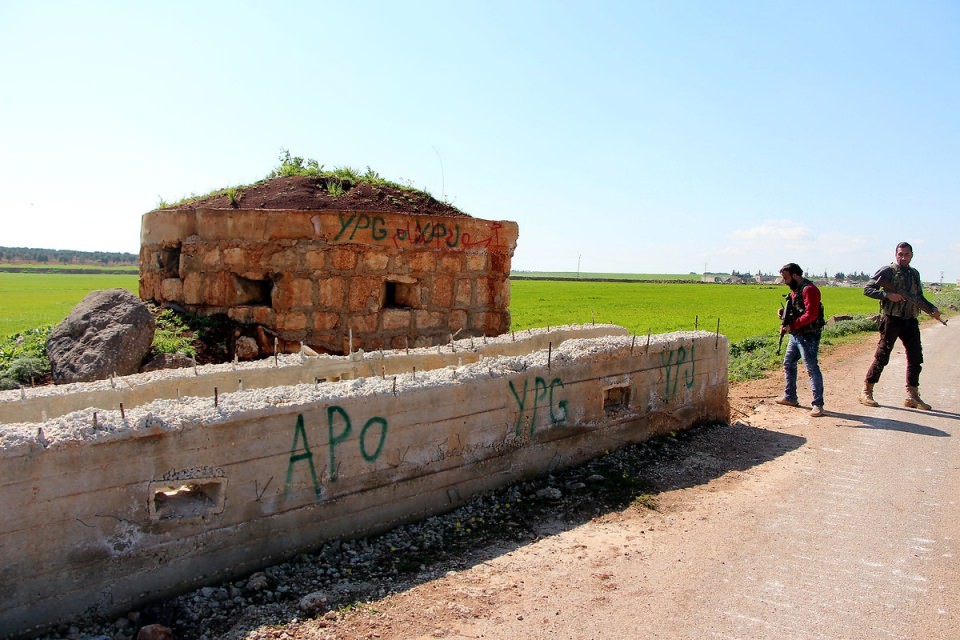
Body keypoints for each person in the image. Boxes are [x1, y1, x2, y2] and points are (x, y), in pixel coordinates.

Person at [858, 242, 942, 410]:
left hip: (910, 320)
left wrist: (932, 309)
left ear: (912, 255)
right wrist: (887, 295)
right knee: (882, 356)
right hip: (892, 319)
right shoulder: (887, 271)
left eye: (906, 254)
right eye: (900, 254)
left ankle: (912, 395)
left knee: (916, 358)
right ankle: (866, 390)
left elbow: (918, 297)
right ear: (895, 254)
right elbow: (867, 289)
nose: (903, 257)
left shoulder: (914, 273)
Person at [776, 263, 826, 417]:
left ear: (795, 275)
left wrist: (792, 325)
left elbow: (811, 314)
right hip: (796, 334)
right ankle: (790, 397)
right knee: (788, 362)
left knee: (811, 368)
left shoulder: (809, 290)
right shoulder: (795, 291)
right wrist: (783, 314)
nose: (785, 282)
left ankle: (818, 404)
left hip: (808, 335)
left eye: (786, 278)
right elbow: (798, 309)